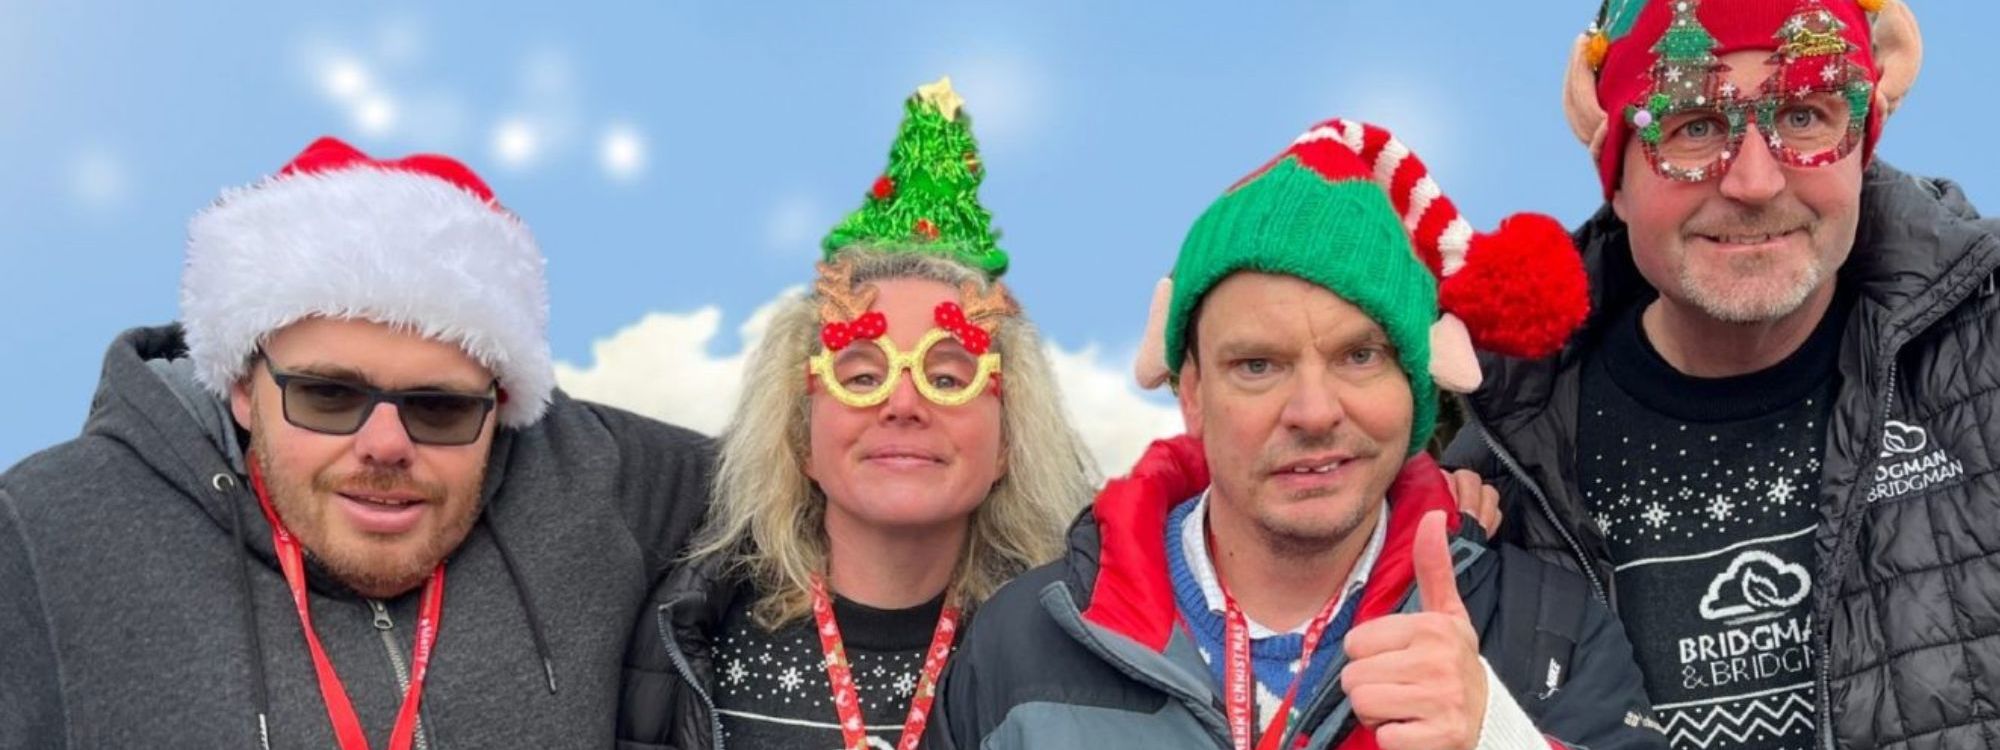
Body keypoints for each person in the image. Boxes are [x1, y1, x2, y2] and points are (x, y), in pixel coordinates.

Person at [927, 117, 1666, 750]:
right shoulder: (1025, 641)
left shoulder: (1547, 631)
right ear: (1191, 392)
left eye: (1359, 356)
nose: (1314, 411)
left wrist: (1495, 733)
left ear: (1415, 388)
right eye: (1257, 364)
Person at [0, 137, 714, 748]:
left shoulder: (600, 480)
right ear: (242, 386)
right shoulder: (47, 531)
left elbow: (807, 455)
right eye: (328, 395)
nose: (385, 444)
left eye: (438, 407)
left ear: (501, 404)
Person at [1439, 1, 1991, 748]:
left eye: (1804, 115)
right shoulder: (1490, 485)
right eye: (1693, 127)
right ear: (1617, 174)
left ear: (1862, 145)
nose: (1756, 182)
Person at [616, 77, 1098, 750]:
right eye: (863, 375)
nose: (903, 404)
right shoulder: (685, 632)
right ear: (802, 436)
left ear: (1010, 442)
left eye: (946, 376)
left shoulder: (1078, 660)